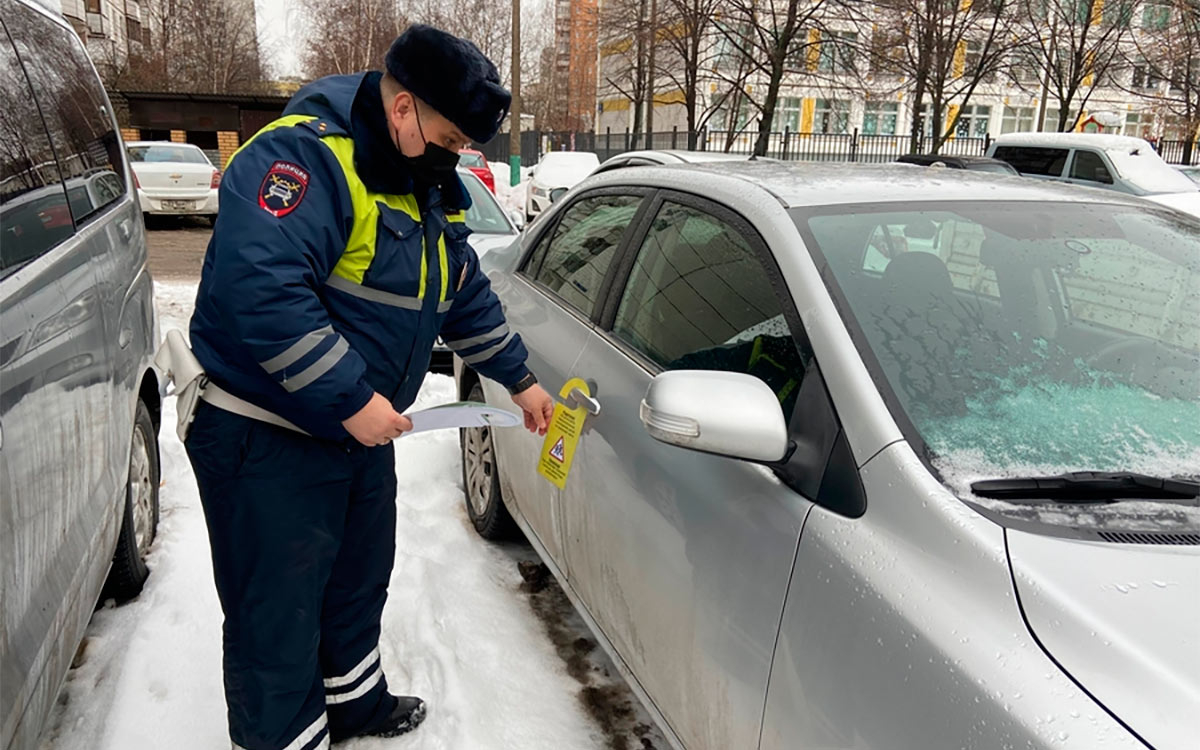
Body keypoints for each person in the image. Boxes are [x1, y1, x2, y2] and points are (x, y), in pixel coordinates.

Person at [183, 25, 554, 750]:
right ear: (403, 109)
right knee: (278, 615)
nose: (455, 155)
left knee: (355, 583)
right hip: (266, 434)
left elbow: (460, 290)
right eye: (448, 136)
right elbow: (259, 291)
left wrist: (520, 380)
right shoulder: (304, 159)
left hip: (351, 433)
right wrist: (353, 400)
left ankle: (354, 703)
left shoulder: (425, 179)